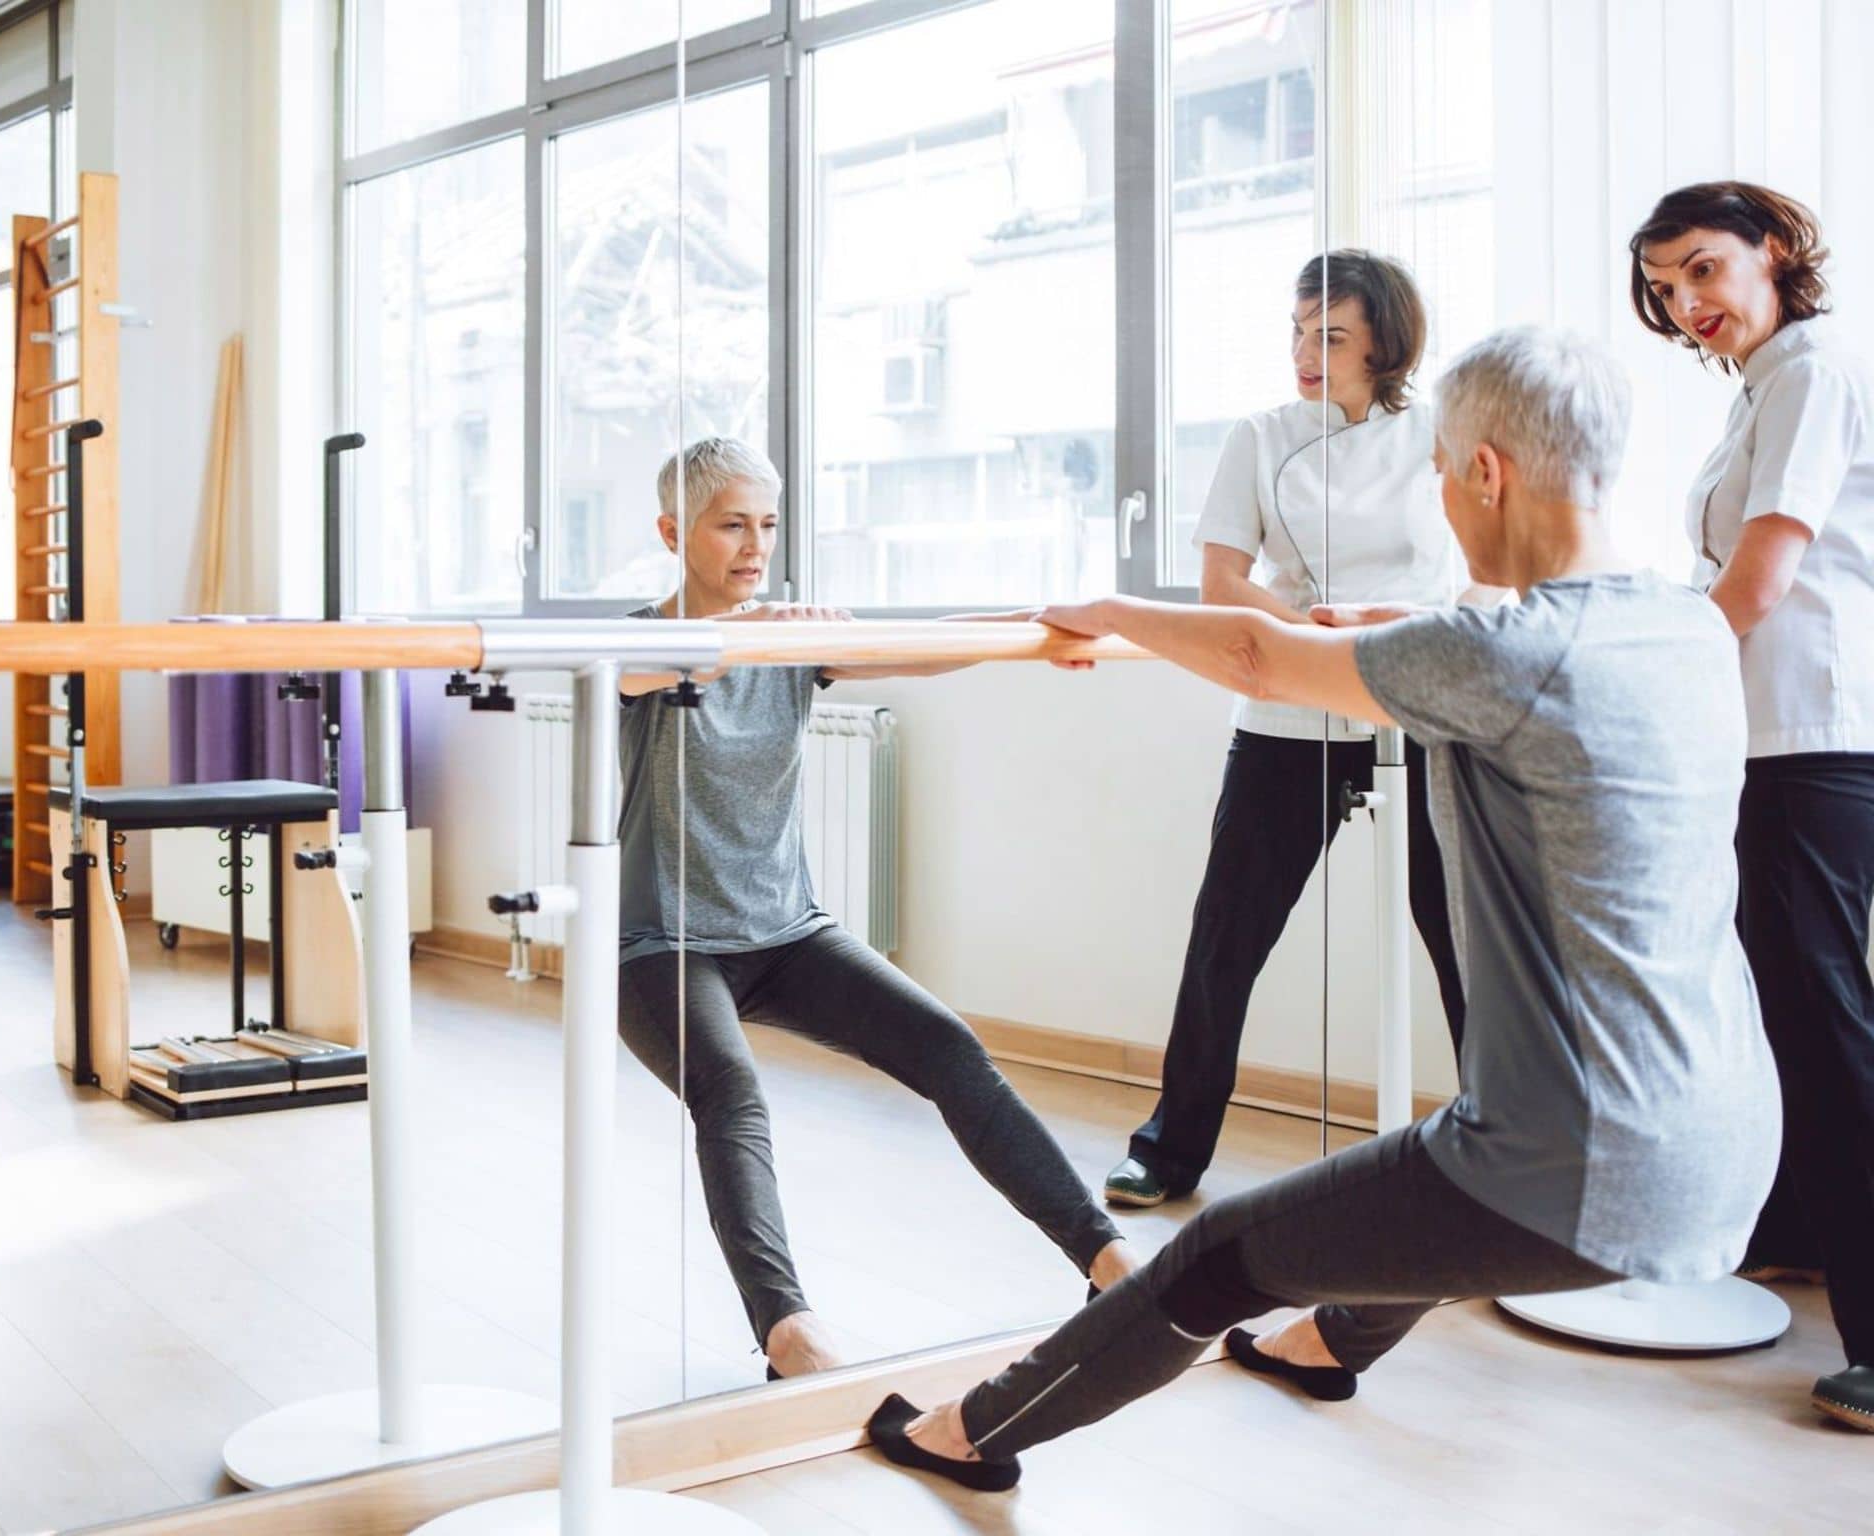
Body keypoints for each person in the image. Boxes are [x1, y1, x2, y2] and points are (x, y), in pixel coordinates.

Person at [861, 326, 1779, 1488]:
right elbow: (1411, 651)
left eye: (1440, 473)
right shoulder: (1684, 624)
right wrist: (1360, 628)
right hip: (1733, 1135)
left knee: (1216, 1252)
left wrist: (1106, 608)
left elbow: (1253, 652)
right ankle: (1323, 1344)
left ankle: (969, 1434)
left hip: (1583, 1164)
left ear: (1485, 472)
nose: (1440, 499)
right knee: (1428, 1173)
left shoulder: (1503, 653)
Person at [615, 436, 1138, 1379]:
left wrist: (1033, 626)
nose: (754, 545)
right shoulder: (640, 640)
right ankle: (788, 1333)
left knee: (949, 1048)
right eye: (731, 524)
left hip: (788, 932)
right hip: (665, 947)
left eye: (767, 525)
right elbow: (634, 669)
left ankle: (1108, 1262)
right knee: (732, 1096)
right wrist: (762, 634)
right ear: (671, 532)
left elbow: (918, 645)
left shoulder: (788, 642)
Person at [1106, 250, 1481, 1210]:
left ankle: (1504, 1153)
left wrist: (1382, 627)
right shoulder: (1262, 436)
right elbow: (1221, 584)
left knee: (1468, 940)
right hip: (1288, 709)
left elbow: (1474, 572)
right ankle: (1170, 1146)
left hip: (1417, 699)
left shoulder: (1440, 430)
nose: (1308, 353)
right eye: (1299, 333)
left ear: (1384, 343)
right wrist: (1301, 631)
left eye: (1333, 336)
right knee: (1226, 935)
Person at [1633, 180, 1874, 1430]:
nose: (1687, 302)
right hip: (1763, 741)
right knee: (1779, 1006)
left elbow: (1760, 578)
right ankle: (1795, 1231)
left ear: (1773, 253)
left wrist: (1644, 673)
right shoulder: (1757, 389)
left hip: (1810, 738)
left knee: (1830, 1025)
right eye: (1668, 286)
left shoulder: (1806, 373)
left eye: (1705, 269)